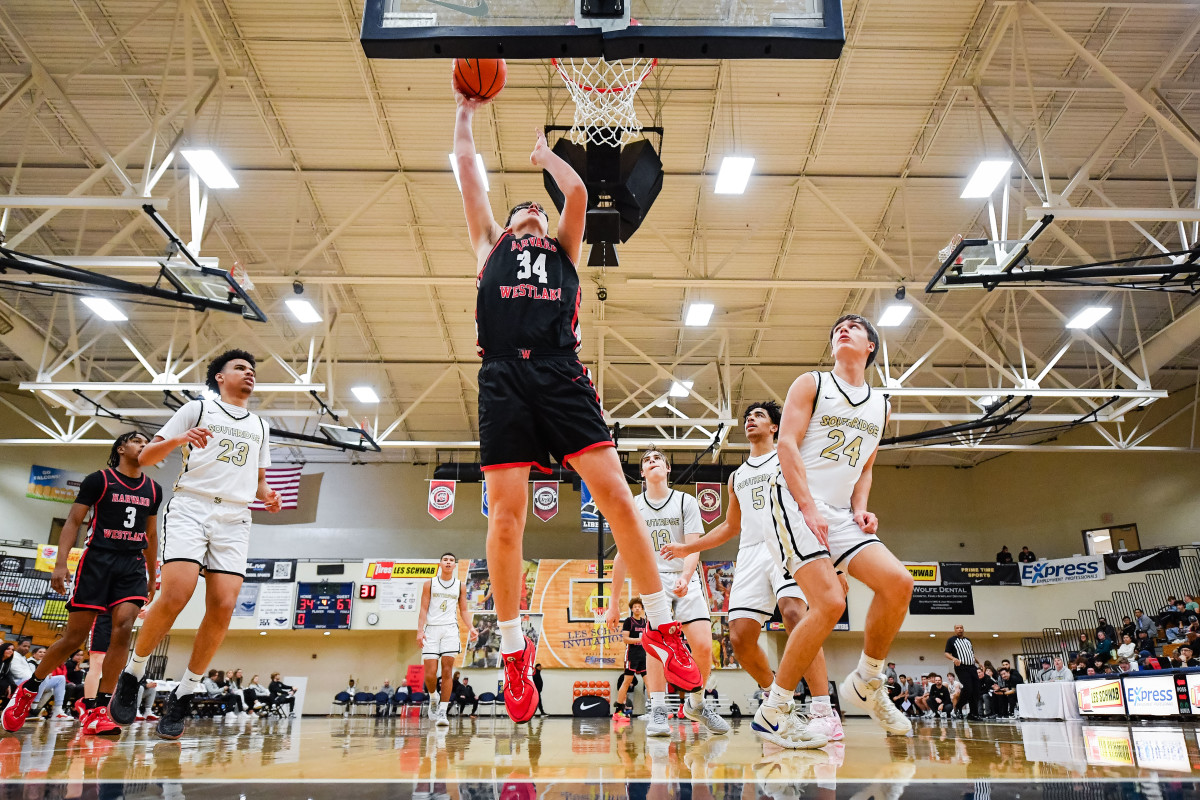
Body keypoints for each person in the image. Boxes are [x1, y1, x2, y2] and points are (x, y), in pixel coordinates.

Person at [453, 87, 700, 722]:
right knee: (506, 521)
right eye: (522, 210)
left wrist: (546, 158)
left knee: (617, 496)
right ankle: (514, 653)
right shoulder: (490, 247)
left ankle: (663, 627)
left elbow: (582, 196)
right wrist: (464, 115)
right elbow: (468, 173)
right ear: (506, 228)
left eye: (539, 206)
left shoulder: (563, 250)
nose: (533, 210)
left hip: (563, 375)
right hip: (504, 378)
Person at [110, 350, 282, 740]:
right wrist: (180, 439)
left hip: (235, 517)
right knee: (176, 594)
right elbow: (147, 456)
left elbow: (257, 481)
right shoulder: (197, 409)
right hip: (192, 506)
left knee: (223, 606)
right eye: (240, 368)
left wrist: (268, 495)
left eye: (252, 370)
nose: (249, 373)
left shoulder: (260, 424)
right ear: (219, 378)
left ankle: (185, 692)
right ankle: (133, 673)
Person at [659, 401, 842, 742]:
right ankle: (778, 703)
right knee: (740, 639)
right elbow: (731, 526)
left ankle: (822, 709)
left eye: (758, 416)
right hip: (750, 552)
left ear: (775, 427)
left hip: (787, 543)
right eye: (747, 417)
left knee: (794, 614)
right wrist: (687, 548)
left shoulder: (788, 457)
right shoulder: (737, 476)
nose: (750, 421)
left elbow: (814, 500)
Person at [3, 432, 160, 736]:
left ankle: (99, 710)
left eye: (147, 442)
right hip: (97, 561)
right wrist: (61, 563)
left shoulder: (153, 488)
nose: (144, 445)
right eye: (138, 440)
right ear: (121, 448)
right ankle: (29, 688)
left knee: (123, 630)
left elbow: (150, 536)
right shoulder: (98, 480)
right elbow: (73, 521)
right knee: (74, 637)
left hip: (131, 565)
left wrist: (154, 575)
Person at [606, 449, 728, 736]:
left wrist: (686, 577)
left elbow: (693, 547)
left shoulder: (686, 501)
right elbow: (622, 556)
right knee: (657, 644)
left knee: (702, 644)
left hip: (684, 577)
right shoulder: (633, 505)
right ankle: (658, 708)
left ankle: (696, 703)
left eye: (657, 458)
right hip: (652, 579)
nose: (652, 461)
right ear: (643, 473)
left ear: (668, 468)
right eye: (647, 460)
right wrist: (613, 603)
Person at [416, 552, 476, 726]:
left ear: (454, 565)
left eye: (451, 561)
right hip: (431, 630)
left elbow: (464, 610)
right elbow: (423, 609)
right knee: (430, 674)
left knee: (448, 671)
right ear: (440, 564)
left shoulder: (460, 586)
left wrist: (471, 627)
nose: (448, 562)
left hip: (450, 630)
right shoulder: (429, 584)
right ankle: (433, 697)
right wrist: (420, 631)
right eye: (445, 560)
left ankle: (443, 712)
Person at [612, 598, 648, 720]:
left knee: (649, 683)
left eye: (639, 606)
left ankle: (655, 710)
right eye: (635, 606)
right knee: (627, 681)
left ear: (642, 609)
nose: (637, 608)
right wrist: (640, 640)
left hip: (643, 655)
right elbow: (625, 639)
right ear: (632, 609)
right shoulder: (629, 621)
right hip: (631, 654)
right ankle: (618, 711)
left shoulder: (645, 622)